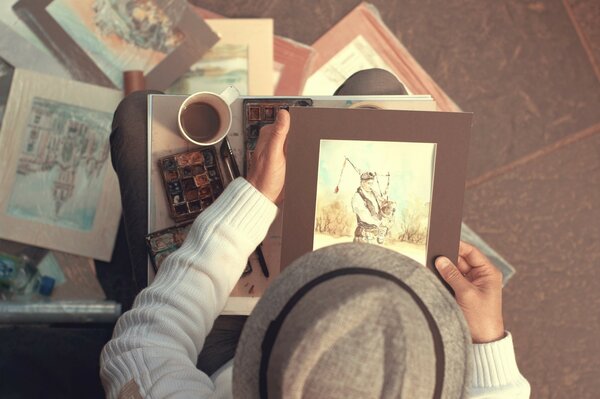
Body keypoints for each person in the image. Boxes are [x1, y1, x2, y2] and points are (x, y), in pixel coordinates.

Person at [101, 69, 530, 398]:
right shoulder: (365, 195)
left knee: (137, 114)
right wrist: (486, 341)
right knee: (375, 86)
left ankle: (121, 274)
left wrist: (251, 200)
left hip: (217, 361)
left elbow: (140, 347)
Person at [352, 172, 384, 244]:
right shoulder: (357, 197)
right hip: (363, 235)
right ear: (362, 183)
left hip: (374, 235)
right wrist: (379, 223)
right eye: (369, 183)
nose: (371, 186)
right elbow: (364, 216)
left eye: (372, 183)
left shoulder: (373, 194)